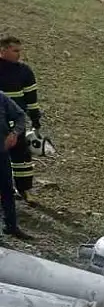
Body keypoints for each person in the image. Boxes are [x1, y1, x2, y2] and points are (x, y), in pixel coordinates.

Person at [0, 37, 43, 202]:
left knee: (22, 157)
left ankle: (24, 190)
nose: (19, 54)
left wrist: (35, 120)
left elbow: (32, 99)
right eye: (15, 51)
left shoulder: (24, 71)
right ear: (3, 50)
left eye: (20, 51)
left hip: (17, 122)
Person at [0, 91, 32, 240]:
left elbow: (20, 115)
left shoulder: (1, 98)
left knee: (7, 189)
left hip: (1, 153)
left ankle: (11, 227)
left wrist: (14, 134)